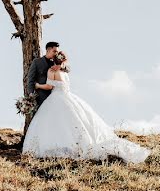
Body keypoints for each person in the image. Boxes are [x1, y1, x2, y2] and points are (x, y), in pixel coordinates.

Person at [21, 49, 151, 163]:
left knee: (54, 123)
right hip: (68, 97)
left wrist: (37, 86)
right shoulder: (65, 72)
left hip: (56, 97)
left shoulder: (52, 70)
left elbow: (49, 86)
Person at [26, 41, 70, 109]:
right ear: (48, 50)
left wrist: (61, 66)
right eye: (54, 51)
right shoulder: (37, 62)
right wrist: (31, 96)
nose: (56, 54)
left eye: (57, 52)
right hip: (41, 98)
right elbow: (30, 80)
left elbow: (68, 69)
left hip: (56, 99)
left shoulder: (57, 63)